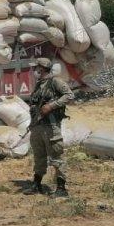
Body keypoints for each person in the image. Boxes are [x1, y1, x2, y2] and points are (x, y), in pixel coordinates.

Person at [27, 57, 74, 198]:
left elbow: (69, 95)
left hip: (51, 127)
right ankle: (37, 184)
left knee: (56, 156)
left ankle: (61, 188)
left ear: (41, 68)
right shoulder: (39, 84)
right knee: (39, 156)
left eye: (36, 68)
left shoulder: (55, 82)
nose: (34, 70)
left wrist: (51, 106)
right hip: (38, 126)